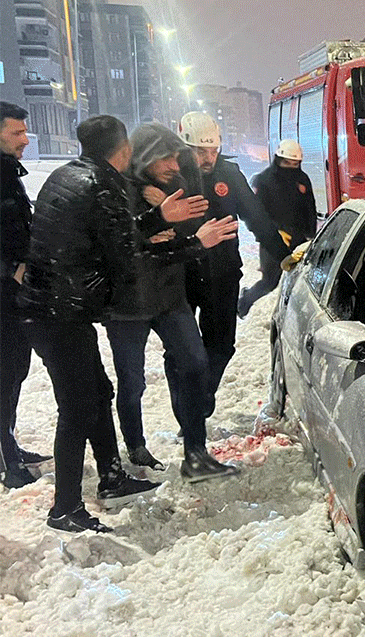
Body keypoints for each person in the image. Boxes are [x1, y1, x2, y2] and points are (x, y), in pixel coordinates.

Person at [18, 114, 237, 532]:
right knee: (89, 402)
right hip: (76, 310)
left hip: (78, 307)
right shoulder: (105, 187)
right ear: (128, 152)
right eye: (166, 157)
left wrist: (162, 222)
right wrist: (189, 241)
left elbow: (120, 239)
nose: (177, 163)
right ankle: (71, 503)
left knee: (105, 391)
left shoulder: (75, 176)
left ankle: (121, 474)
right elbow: (128, 261)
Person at [105, 123, 239, 482]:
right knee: (131, 380)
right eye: (164, 157)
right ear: (144, 157)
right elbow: (116, 246)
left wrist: (179, 234)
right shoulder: (116, 188)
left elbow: (187, 231)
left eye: (176, 157)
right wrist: (151, 226)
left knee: (195, 364)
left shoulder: (178, 184)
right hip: (128, 302)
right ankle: (135, 444)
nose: (173, 164)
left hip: (169, 294)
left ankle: (195, 452)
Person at [176, 112, 279, 415]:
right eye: (200, 151)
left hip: (222, 273)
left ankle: (200, 400)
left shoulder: (229, 174)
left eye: (213, 151)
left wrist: (281, 252)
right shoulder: (170, 177)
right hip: (182, 273)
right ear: (184, 148)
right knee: (181, 352)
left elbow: (256, 216)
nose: (208, 158)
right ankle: (186, 410)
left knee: (221, 346)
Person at [0, 102, 50, 489]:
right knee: (4, 373)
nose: (25, 139)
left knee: (15, 370)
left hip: (13, 293)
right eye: (17, 133)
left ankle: (8, 447)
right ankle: (6, 458)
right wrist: (11, 269)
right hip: (3, 293)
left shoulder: (7, 174)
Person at [238, 140, 316, 317]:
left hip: (298, 239)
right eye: (286, 163)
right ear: (278, 159)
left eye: (294, 164)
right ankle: (244, 302)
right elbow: (257, 214)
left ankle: (292, 317)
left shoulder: (302, 180)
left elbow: (309, 208)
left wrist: (310, 234)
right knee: (270, 281)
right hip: (272, 239)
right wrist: (274, 232)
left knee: (300, 280)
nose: (290, 167)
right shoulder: (263, 180)